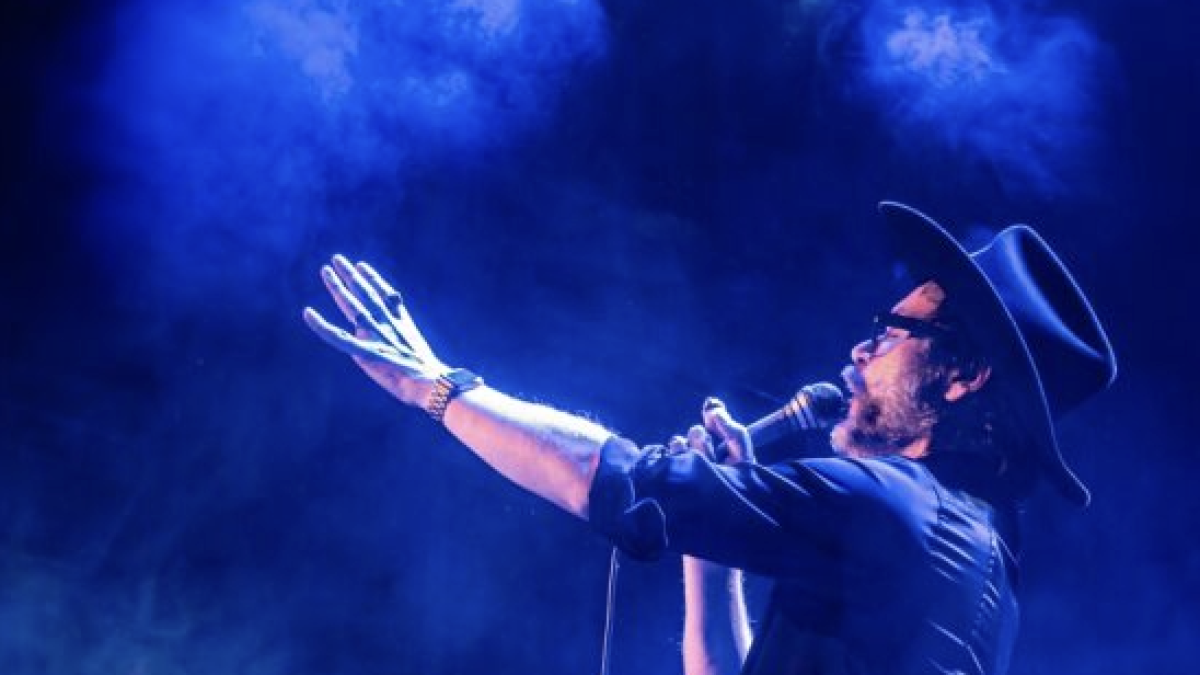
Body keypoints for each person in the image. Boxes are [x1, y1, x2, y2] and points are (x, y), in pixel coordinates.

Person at [302, 202, 1116, 675]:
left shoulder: (895, 507)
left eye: (895, 330)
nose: (861, 348)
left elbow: (616, 478)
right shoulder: (982, 567)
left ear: (963, 375)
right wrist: (710, 552)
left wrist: (434, 385)